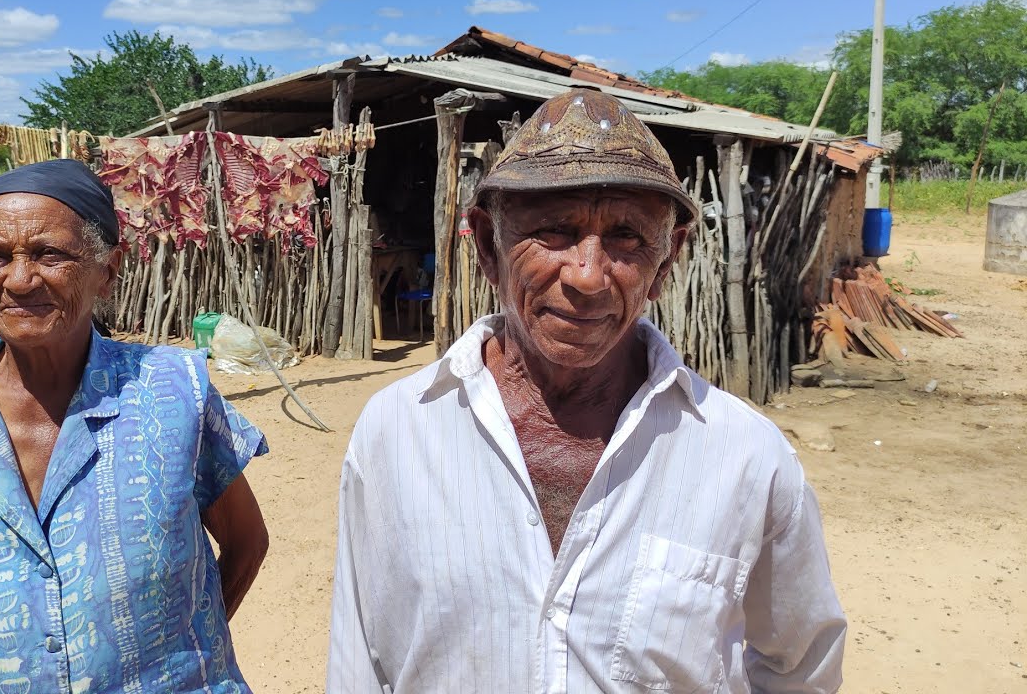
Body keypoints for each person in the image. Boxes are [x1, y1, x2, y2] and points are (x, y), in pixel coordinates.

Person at [326, 89, 846, 693]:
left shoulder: (746, 455)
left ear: (668, 258)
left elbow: (801, 668)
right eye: (553, 230)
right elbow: (360, 658)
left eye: (626, 236)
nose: (589, 276)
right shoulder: (397, 430)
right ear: (489, 247)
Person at [0, 159, 270, 693]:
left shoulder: (173, 392)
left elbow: (246, 541)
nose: (20, 278)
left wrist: (182, 656)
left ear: (109, 269)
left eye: (49, 253)